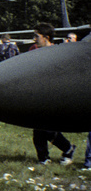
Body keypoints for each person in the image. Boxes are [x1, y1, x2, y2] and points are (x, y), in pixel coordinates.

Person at [27, 23, 76, 165]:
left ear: (46, 37)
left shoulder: (57, 53)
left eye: (36, 36)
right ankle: (43, 158)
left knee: (48, 129)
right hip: (37, 94)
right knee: (37, 130)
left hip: (52, 96)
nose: (34, 39)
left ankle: (68, 148)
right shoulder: (33, 51)